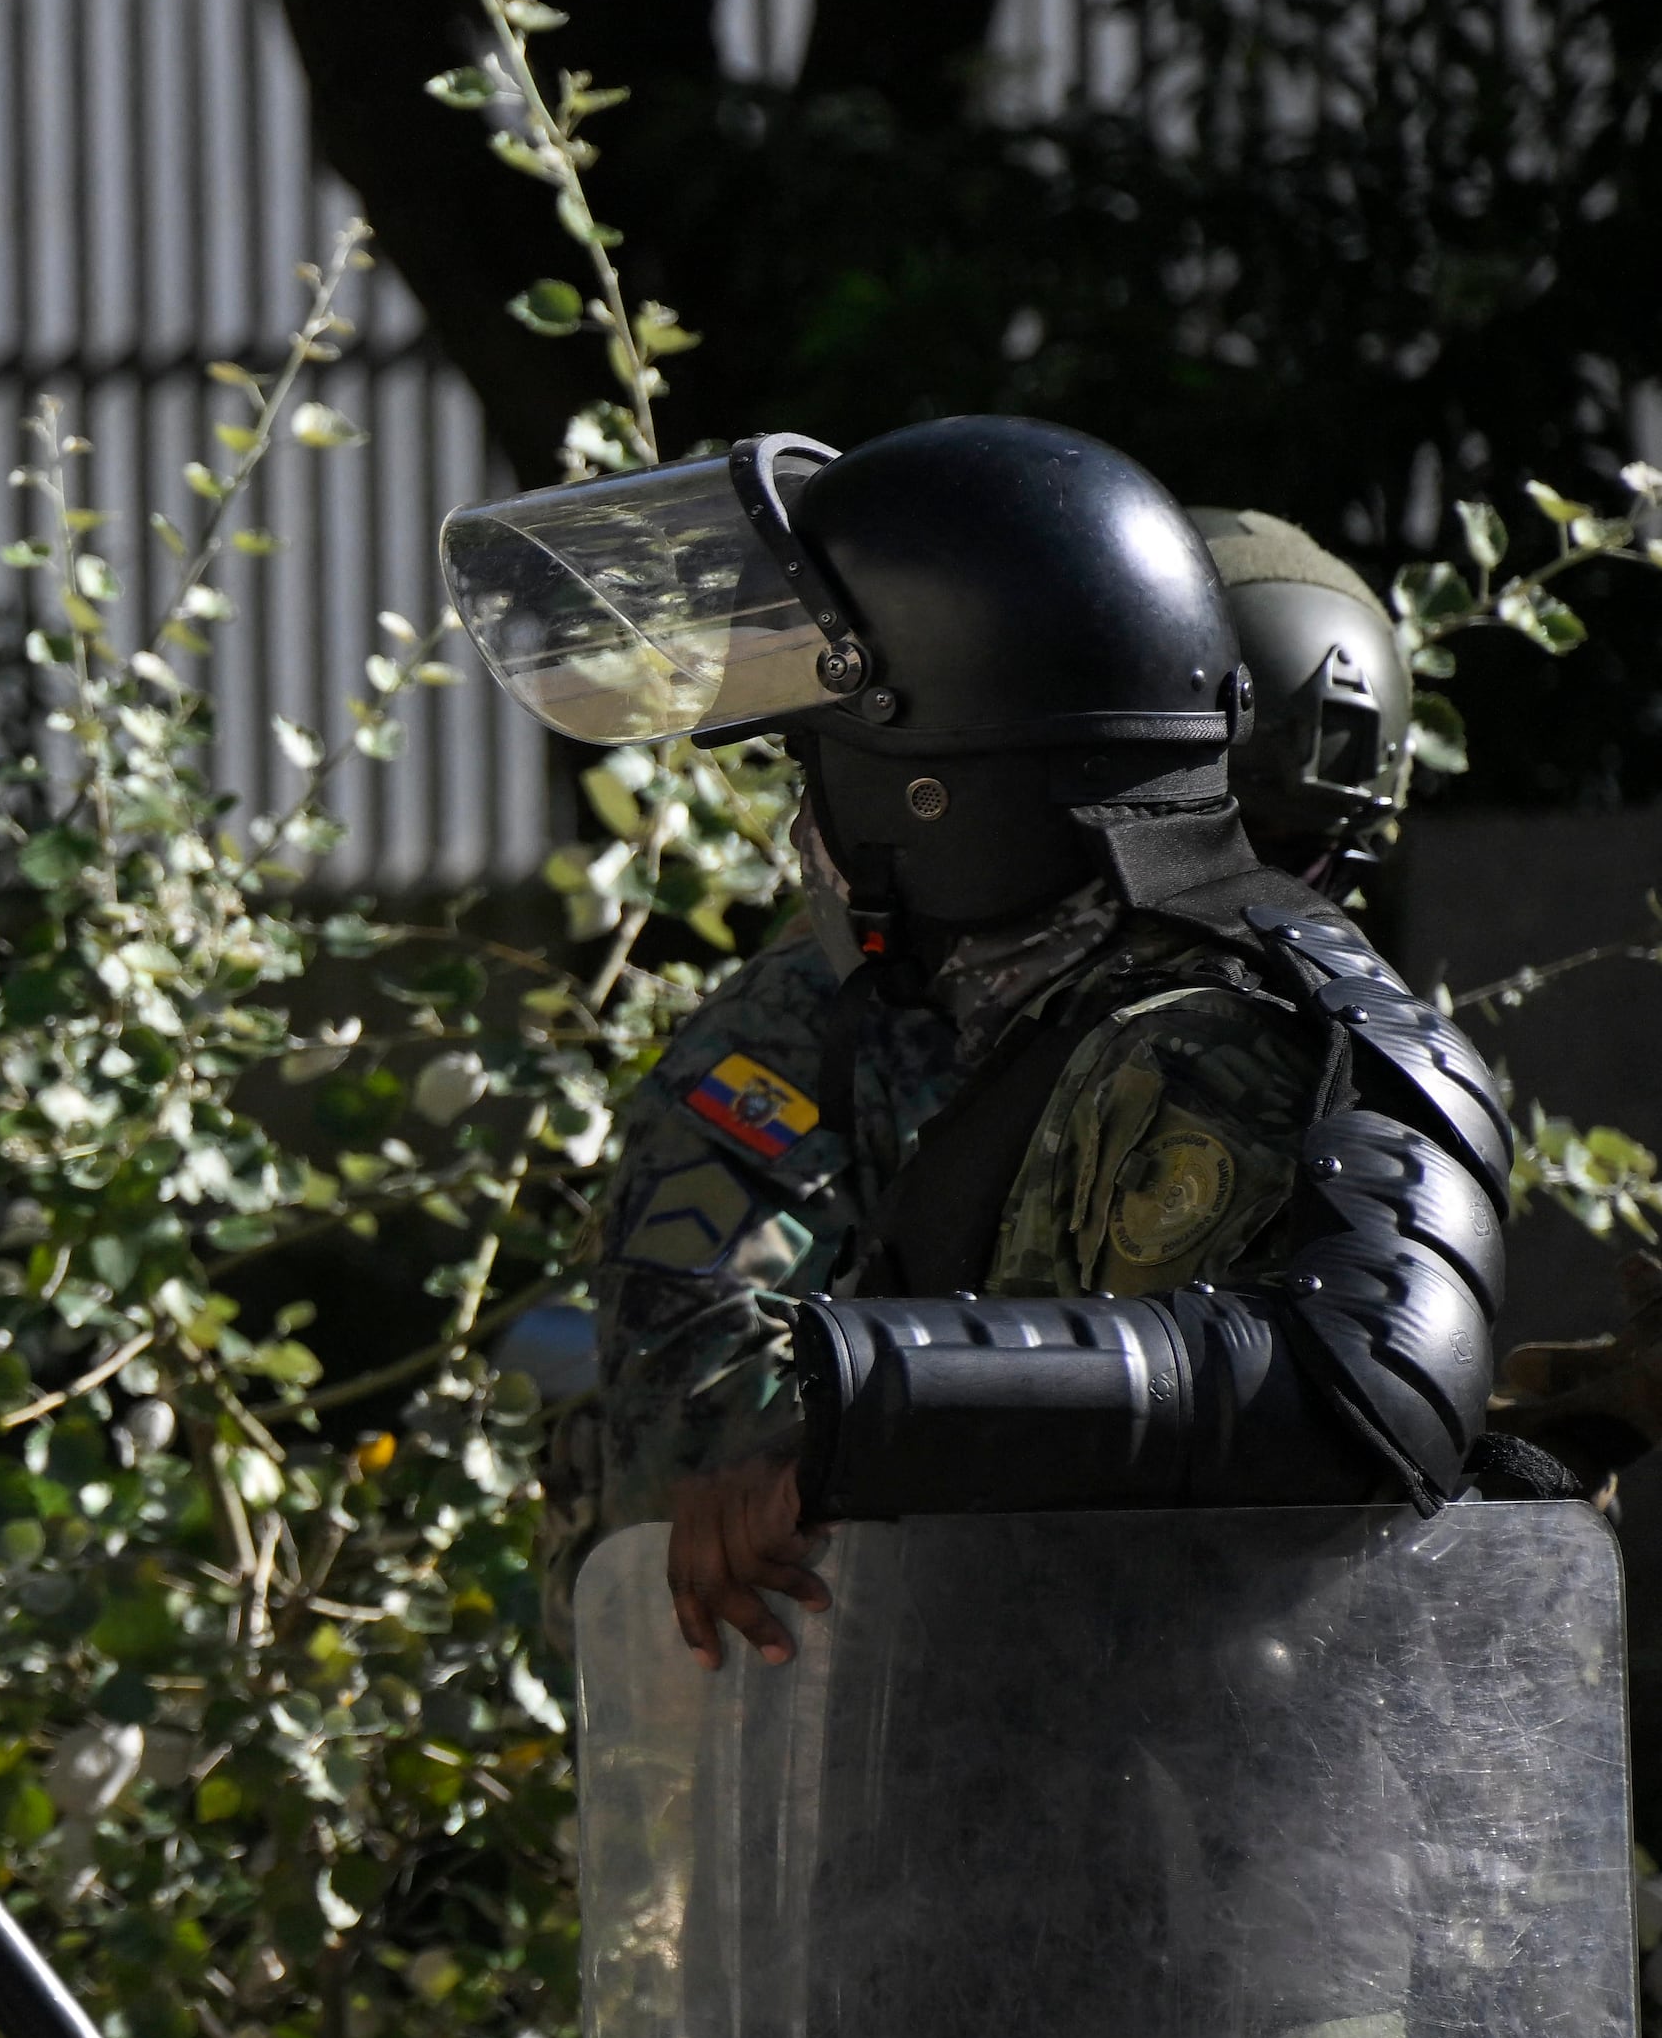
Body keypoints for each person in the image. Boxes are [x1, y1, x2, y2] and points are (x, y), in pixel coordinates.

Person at [444, 417, 1506, 1671]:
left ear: (930, 794)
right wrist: (838, 1439)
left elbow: (1358, 1394)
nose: (805, 825)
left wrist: (870, 1414)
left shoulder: (1217, 1040)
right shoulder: (1036, 1032)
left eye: (818, 766)